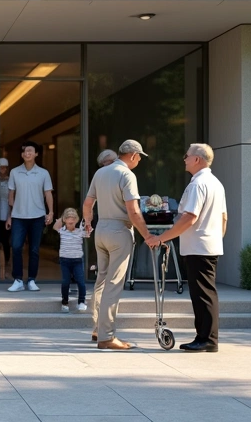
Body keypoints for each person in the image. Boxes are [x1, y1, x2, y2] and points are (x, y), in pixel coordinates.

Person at [145, 143, 227, 352]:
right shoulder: (216, 183)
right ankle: (206, 337)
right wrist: (215, 238)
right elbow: (223, 218)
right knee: (205, 293)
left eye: (186, 155)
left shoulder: (198, 185)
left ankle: (207, 339)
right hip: (208, 244)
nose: (184, 159)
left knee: (202, 295)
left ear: (197, 159)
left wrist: (162, 238)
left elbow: (189, 217)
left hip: (198, 246)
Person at [82, 139, 155, 350]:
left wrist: (88, 223)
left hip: (101, 229)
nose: (140, 160)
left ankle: (98, 329)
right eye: (139, 156)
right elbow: (133, 211)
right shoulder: (126, 175)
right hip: (119, 230)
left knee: (102, 282)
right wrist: (147, 235)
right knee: (114, 284)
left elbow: (88, 204)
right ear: (132, 155)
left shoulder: (100, 173)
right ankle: (107, 336)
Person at [6, 141, 54, 292]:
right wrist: (9, 216)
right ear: (22, 155)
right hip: (18, 216)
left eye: (30, 151)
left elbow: (48, 194)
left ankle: (32, 279)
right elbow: (11, 196)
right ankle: (18, 280)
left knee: (34, 249)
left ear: (36, 154)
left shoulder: (43, 173)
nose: (27, 153)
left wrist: (51, 212)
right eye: (25, 151)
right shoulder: (14, 172)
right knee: (16, 247)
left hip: (37, 216)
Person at [56, 207, 88, 312]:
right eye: (69, 223)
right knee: (65, 282)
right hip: (65, 260)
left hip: (77, 260)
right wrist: (63, 217)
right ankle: (65, 302)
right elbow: (55, 226)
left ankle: (82, 301)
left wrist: (87, 223)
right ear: (65, 221)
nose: (71, 225)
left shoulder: (80, 231)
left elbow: (88, 232)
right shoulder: (61, 230)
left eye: (73, 223)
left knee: (81, 282)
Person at [0, 158, 11, 266]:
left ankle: (6, 259)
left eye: (4, 167)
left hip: (7, 213)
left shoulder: (10, 180)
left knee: (5, 238)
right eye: (1, 167)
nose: (3, 169)